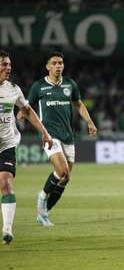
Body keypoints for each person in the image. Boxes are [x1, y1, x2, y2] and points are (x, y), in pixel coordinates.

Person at [26, 52, 97, 226]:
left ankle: (44, 214)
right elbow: (27, 106)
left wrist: (89, 122)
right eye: (55, 63)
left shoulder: (70, 84)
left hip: (68, 136)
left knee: (65, 178)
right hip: (50, 135)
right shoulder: (39, 86)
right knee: (62, 170)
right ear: (48, 67)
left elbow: (79, 104)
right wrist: (21, 113)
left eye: (61, 63)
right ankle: (42, 197)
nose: (58, 66)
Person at [0, 50, 53, 244]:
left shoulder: (13, 89)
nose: (8, 68)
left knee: (5, 183)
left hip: (7, 144)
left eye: (9, 64)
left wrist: (44, 132)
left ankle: (7, 229)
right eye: (4, 64)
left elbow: (27, 111)